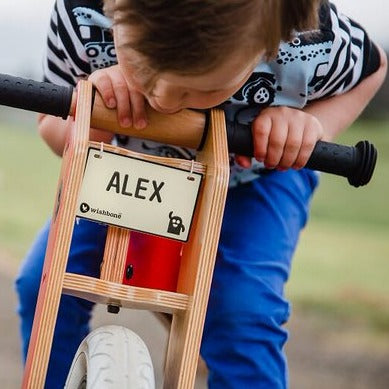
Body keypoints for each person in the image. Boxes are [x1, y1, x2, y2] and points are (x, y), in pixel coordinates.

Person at [15, 0, 387, 388]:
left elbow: (373, 67)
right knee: (43, 285)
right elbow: (51, 126)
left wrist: (312, 126)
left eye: (200, 88)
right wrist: (92, 118)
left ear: (268, 45)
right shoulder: (81, 17)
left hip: (253, 180)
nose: (161, 99)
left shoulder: (310, 39)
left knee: (242, 311)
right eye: (141, 66)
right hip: (124, 175)